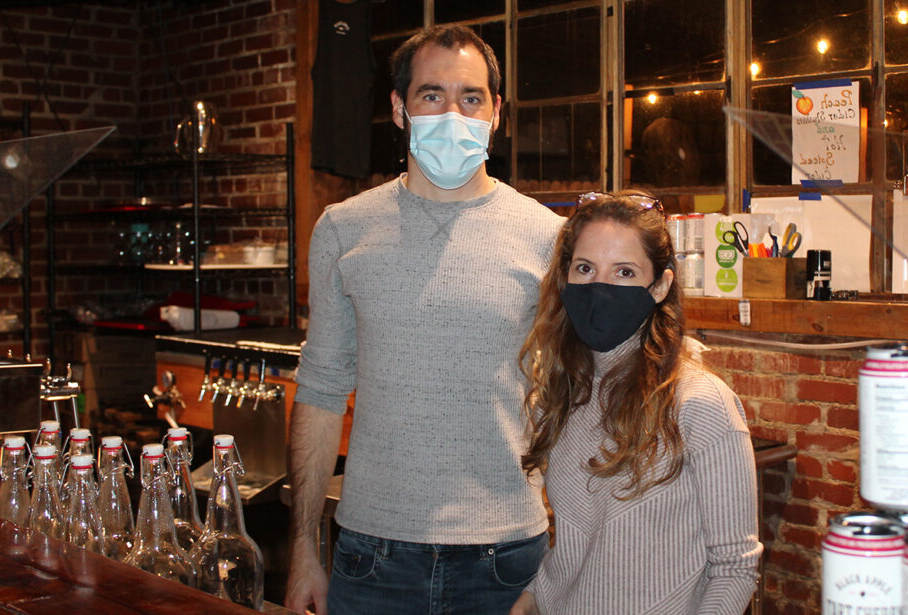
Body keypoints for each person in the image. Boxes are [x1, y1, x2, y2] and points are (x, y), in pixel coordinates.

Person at [286, 24, 564, 615]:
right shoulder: (343, 228)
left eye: (472, 97)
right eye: (432, 95)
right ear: (399, 109)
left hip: (507, 557)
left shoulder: (547, 237)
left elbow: (568, 400)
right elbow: (320, 391)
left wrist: (553, 572)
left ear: (497, 113)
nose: (453, 113)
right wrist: (304, 549)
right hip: (372, 555)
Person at [510, 191, 762, 615]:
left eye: (624, 272)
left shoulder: (700, 404)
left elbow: (735, 570)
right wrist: (530, 599)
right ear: (565, 279)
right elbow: (579, 544)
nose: (600, 287)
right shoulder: (563, 395)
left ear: (660, 285)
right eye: (585, 268)